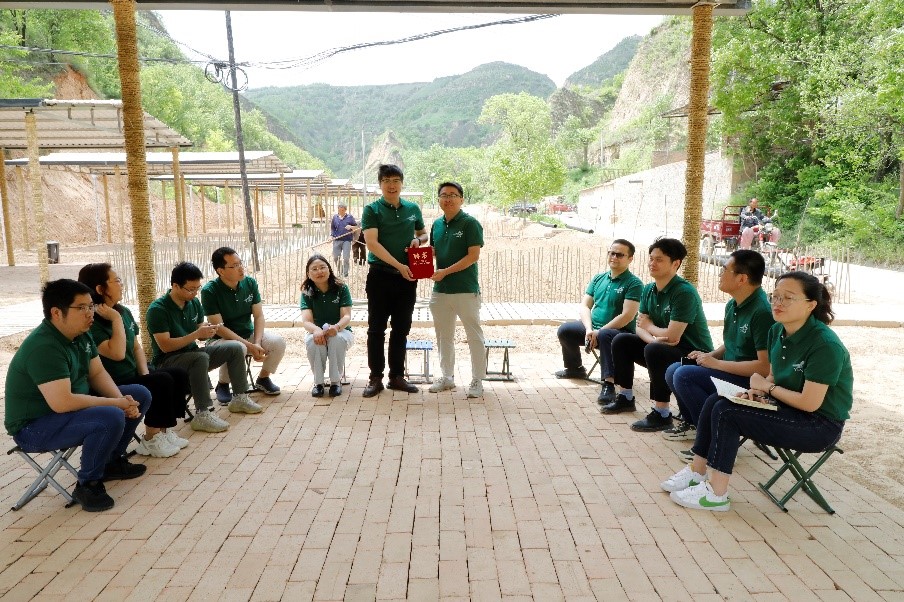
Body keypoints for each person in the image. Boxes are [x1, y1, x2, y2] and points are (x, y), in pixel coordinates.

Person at [662, 271, 852, 512]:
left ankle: (716, 494)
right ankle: (696, 473)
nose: (778, 303)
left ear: (811, 305)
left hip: (819, 425)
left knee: (727, 414)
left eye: (788, 298)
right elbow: (773, 375)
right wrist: (757, 393)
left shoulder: (824, 345)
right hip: (788, 409)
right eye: (776, 296)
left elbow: (809, 403)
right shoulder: (777, 331)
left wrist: (767, 387)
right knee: (716, 400)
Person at [5, 279, 151, 512]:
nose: (89, 313)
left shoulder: (81, 334)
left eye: (91, 306)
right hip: (34, 427)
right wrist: (117, 404)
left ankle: (111, 462)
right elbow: (63, 402)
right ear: (56, 312)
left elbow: (97, 373)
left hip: (66, 413)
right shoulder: (44, 346)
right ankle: (88, 485)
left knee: (140, 394)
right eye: (81, 308)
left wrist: (124, 401)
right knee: (110, 416)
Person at [78, 263, 191, 458]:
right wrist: (116, 320)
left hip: (132, 373)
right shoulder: (92, 321)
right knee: (160, 382)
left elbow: (136, 347)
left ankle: (164, 431)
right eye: (117, 281)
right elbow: (117, 354)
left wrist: (145, 373)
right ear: (100, 289)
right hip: (113, 382)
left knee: (177, 375)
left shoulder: (123, 311)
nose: (122, 284)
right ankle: (151, 439)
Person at [602, 238, 713, 433]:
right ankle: (625, 397)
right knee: (622, 340)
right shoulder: (648, 289)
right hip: (661, 348)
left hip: (693, 355)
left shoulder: (684, 292)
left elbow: (673, 336)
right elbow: (638, 327)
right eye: (651, 258)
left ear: (676, 263)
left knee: (655, 350)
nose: (652, 263)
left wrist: (650, 328)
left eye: (659, 260)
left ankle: (662, 413)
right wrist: (652, 338)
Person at [662, 250, 774, 442]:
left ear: (742, 279)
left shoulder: (762, 311)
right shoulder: (733, 305)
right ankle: (694, 424)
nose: (719, 274)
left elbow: (764, 367)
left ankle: (714, 438)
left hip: (749, 381)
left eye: (724, 270)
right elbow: (731, 343)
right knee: (674, 369)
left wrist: (717, 364)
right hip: (729, 370)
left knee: (684, 375)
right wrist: (709, 356)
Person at [147, 261, 262, 434]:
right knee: (199, 358)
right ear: (175, 286)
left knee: (236, 347)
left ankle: (240, 397)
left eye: (197, 288)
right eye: (190, 289)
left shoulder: (193, 303)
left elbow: (200, 332)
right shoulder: (158, 309)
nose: (195, 293)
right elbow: (165, 346)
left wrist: (208, 331)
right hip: (167, 361)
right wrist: (196, 334)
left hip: (193, 353)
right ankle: (202, 413)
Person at [360, 164, 428, 398]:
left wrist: (419, 241)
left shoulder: (412, 208)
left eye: (396, 180)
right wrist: (399, 265)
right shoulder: (372, 210)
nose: (392, 185)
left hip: (407, 278)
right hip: (380, 276)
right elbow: (372, 243)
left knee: (401, 328)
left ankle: (396, 376)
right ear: (380, 184)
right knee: (376, 329)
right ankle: (375, 378)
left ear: (402, 183)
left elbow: (423, 233)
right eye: (387, 180)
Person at [554, 239, 643, 406]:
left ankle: (609, 384)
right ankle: (575, 369)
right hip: (593, 329)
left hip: (619, 333)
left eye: (620, 255)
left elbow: (627, 316)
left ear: (630, 259)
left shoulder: (634, 283)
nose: (614, 257)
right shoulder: (598, 278)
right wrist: (589, 329)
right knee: (565, 330)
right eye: (612, 253)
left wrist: (599, 331)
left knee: (606, 335)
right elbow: (585, 306)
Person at [202, 247, 286, 401]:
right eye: (234, 266)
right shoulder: (209, 291)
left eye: (240, 263)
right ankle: (223, 384)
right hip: (220, 339)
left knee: (277, 342)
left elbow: (258, 316)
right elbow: (219, 328)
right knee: (237, 347)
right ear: (220, 271)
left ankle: (263, 378)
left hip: (248, 333)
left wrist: (257, 342)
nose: (241, 268)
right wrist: (249, 346)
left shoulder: (249, 283)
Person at [426, 181, 486, 398]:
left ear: (461, 199)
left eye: (453, 195)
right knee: (443, 336)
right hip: (440, 290)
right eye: (444, 195)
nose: (448, 199)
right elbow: (434, 250)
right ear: (439, 200)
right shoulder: (437, 224)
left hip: (465, 289)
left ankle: (477, 379)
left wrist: (445, 272)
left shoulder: (470, 223)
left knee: (474, 335)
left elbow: (473, 256)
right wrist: (417, 252)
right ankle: (447, 377)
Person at [299, 255, 354, 397]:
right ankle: (318, 383)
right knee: (314, 341)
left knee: (335, 339)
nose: (319, 271)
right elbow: (306, 321)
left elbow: (346, 316)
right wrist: (316, 330)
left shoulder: (341, 288)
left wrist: (336, 327)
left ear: (329, 269)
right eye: (314, 269)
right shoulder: (306, 292)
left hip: (341, 330)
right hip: (317, 331)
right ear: (308, 274)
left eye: (323, 267)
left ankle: (336, 382)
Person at [330, 202, 358, 278]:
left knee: (346, 258)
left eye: (342, 210)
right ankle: (341, 271)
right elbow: (332, 228)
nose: (341, 212)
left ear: (345, 210)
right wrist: (331, 236)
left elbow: (356, 227)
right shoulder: (335, 217)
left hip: (347, 240)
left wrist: (351, 227)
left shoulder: (350, 217)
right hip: (337, 239)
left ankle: (345, 273)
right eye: (339, 210)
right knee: (336, 257)